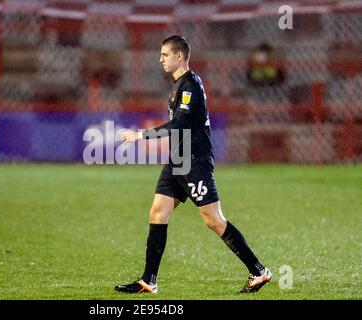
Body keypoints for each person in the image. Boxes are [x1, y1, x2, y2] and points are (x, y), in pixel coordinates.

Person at [115, 35, 272, 294]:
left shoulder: (190, 86)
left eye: (165, 55)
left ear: (179, 56)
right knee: (157, 212)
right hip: (178, 159)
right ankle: (148, 281)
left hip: (194, 162)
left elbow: (179, 125)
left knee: (213, 220)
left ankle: (258, 271)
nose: (160, 59)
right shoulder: (179, 85)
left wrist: (140, 136)